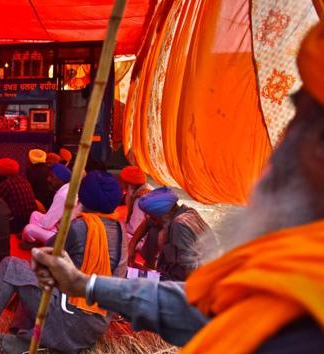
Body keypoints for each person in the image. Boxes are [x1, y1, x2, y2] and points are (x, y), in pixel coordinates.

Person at [31, 22, 324, 353]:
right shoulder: (288, 264)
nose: (278, 145)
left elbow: (190, 290)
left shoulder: (304, 310)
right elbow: (202, 304)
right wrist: (86, 284)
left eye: (298, 120)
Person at [0, 171, 128, 354]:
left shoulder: (79, 228)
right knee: (39, 275)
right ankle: (25, 340)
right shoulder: (120, 230)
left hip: (69, 321)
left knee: (11, 267)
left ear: (82, 197)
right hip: (95, 327)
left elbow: (43, 255)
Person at [128, 187, 213, 281]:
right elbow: (148, 222)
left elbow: (191, 266)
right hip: (173, 272)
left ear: (163, 215)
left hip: (189, 281)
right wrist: (131, 246)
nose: (151, 220)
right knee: (154, 231)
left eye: (153, 217)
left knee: (128, 279)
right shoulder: (182, 212)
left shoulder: (179, 226)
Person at [22, 163, 80, 245]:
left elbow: (47, 225)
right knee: (35, 214)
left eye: (52, 177)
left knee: (28, 229)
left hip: (62, 236)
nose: (48, 179)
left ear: (61, 180)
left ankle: (35, 242)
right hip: (59, 227)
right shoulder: (68, 188)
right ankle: (38, 241)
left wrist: (39, 225)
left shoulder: (63, 195)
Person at [0, 158, 37, 234]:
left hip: (16, 222)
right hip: (31, 220)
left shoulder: (6, 184)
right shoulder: (25, 181)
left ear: (4, 170)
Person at [119, 166, 151, 245]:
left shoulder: (139, 199)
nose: (121, 186)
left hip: (143, 241)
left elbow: (134, 230)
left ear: (129, 185)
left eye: (123, 183)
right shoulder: (147, 189)